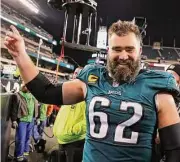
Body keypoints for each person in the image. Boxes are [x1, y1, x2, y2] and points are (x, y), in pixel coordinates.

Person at [4, 21, 180, 162]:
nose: (123, 56)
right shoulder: (92, 79)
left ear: (140, 51)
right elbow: (46, 92)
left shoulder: (158, 86)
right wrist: (20, 54)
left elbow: (175, 150)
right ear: (108, 51)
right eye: (117, 49)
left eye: (129, 49)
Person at [53, 67, 86, 162]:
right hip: (62, 139)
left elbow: (91, 119)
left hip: (75, 141)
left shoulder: (88, 94)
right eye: (75, 72)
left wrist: (75, 130)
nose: (76, 75)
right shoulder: (70, 93)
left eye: (79, 73)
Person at [11, 85, 38, 162]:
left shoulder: (33, 96)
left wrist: (37, 117)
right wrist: (14, 120)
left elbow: (36, 106)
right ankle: (19, 156)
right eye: (26, 86)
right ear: (23, 87)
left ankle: (25, 153)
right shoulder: (17, 95)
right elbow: (14, 108)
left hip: (31, 120)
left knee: (27, 138)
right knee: (21, 139)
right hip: (22, 120)